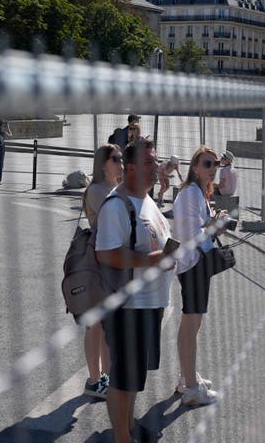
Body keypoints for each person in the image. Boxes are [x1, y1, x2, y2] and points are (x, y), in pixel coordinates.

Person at [95, 136, 173, 443]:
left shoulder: (147, 199)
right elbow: (106, 253)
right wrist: (153, 259)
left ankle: (129, 425)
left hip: (149, 304)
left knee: (134, 377)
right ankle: (121, 437)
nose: (156, 166)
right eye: (149, 162)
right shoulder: (117, 205)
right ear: (130, 168)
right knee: (123, 379)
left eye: (155, 160)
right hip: (129, 306)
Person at [171, 147, 227, 406]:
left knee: (193, 324)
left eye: (216, 163)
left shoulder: (198, 192)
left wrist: (214, 221)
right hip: (193, 265)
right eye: (207, 163)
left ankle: (187, 377)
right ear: (195, 167)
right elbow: (193, 234)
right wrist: (214, 223)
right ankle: (191, 387)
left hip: (195, 265)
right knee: (191, 326)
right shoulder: (191, 193)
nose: (213, 167)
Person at [80, 143, 124, 398]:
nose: (121, 162)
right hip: (97, 265)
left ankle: (105, 379)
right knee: (95, 324)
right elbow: (112, 224)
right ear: (103, 164)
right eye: (116, 159)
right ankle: (96, 380)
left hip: (112, 264)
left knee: (105, 325)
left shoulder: (115, 188)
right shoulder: (97, 191)